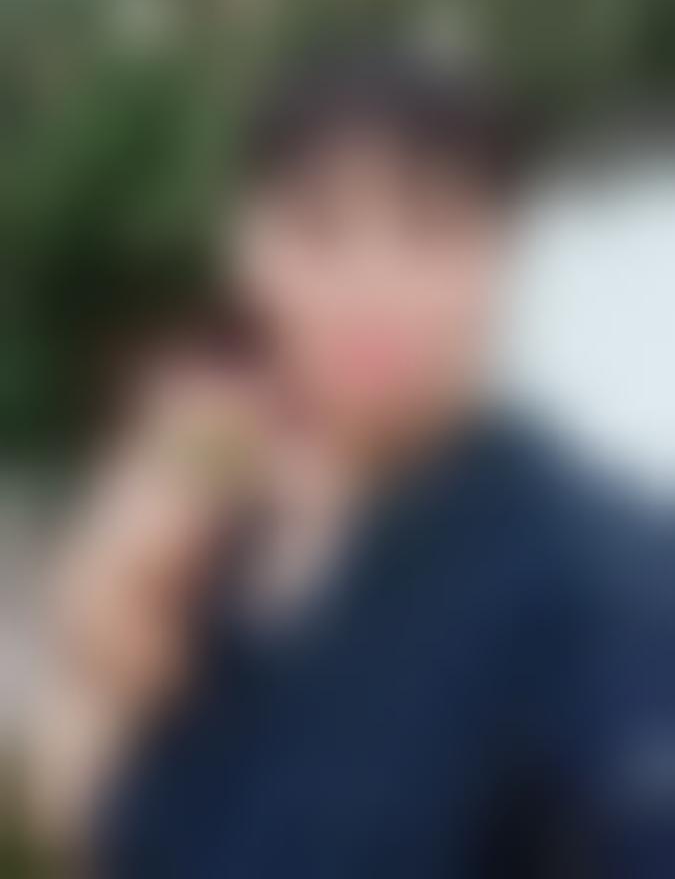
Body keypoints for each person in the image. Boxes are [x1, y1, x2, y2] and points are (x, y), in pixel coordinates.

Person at [35, 47, 674, 877]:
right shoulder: (224, 536)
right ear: (247, 253)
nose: (372, 284)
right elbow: (125, 826)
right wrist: (111, 599)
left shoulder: (615, 582)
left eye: (429, 227)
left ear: (502, 258)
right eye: (318, 227)